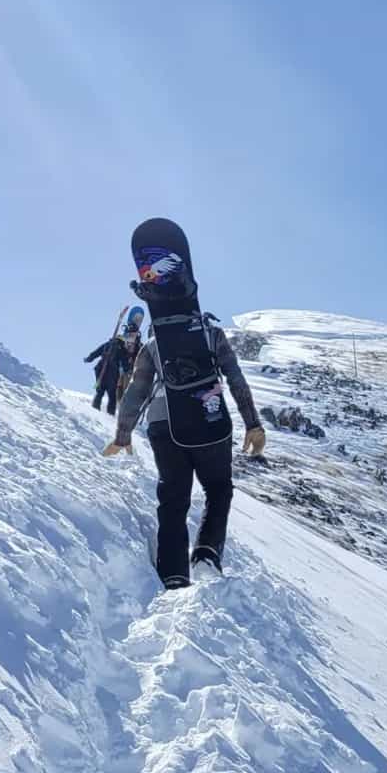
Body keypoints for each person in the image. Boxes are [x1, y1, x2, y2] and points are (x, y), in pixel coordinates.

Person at [102, 218, 265, 590]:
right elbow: (236, 380)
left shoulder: (155, 344)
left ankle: (173, 575)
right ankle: (207, 553)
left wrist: (123, 433)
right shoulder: (211, 334)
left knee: (172, 500)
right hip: (209, 426)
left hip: (164, 426)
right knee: (218, 489)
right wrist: (253, 424)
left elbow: (137, 392)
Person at [83, 308, 143, 415]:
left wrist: (89, 358)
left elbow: (98, 351)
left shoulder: (112, 343)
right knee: (111, 394)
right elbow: (124, 361)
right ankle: (108, 415)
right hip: (111, 372)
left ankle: (95, 411)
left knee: (101, 392)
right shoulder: (120, 347)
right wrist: (127, 369)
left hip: (102, 370)